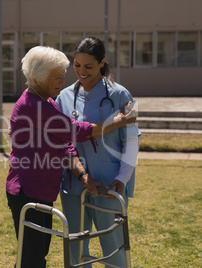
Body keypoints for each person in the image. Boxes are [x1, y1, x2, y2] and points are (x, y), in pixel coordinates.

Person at [6, 46, 136, 268]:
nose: (62, 81)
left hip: (42, 190)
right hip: (28, 191)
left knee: (37, 254)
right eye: (56, 77)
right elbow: (78, 131)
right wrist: (118, 121)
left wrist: (83, 175)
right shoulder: (33, 105)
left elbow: (66, 144)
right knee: (31, 258)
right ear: (40, 77)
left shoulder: (47, 101)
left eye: (62, 76)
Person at [55, 37, 141, 267]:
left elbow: (131, 140)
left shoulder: (120, 95)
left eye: (89, 67)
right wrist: (82, 175)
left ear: (102, 63)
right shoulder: (63, 97)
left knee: (113, 249)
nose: (81, 72)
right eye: (77, 65)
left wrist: (122, 179)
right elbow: (61, 141)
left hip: (110, 186)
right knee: (75, 248)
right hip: (74, 185)